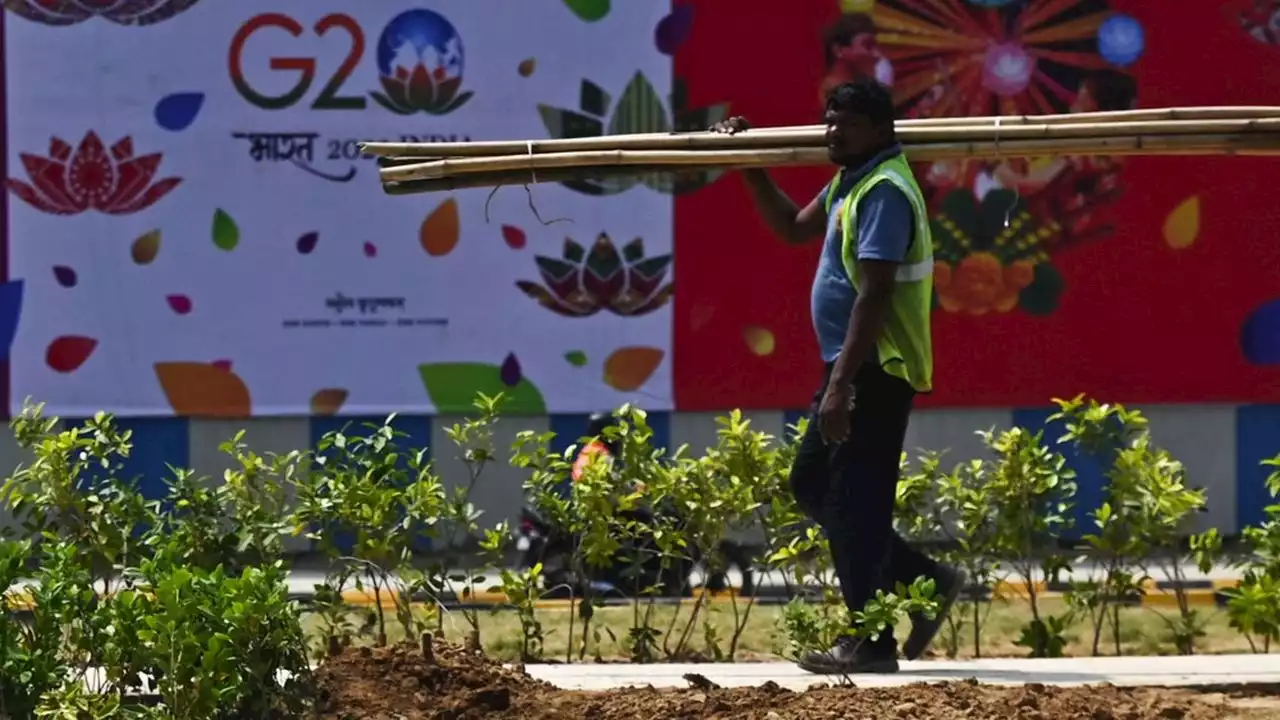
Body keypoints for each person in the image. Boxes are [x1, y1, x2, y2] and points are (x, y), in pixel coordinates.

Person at [711, 79, 966, 674]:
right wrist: (750, 165)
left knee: (854, 504)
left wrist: (842, 386)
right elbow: (793, 229)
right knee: (813, 486)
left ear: (880, 130)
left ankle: (871, 642)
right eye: (829, 120)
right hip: (852, 369)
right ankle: (926, 578)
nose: (832, 132)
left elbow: (874, 296)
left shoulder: (885, 191)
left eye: (846, 124)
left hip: (877, 368)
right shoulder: (853, 179)